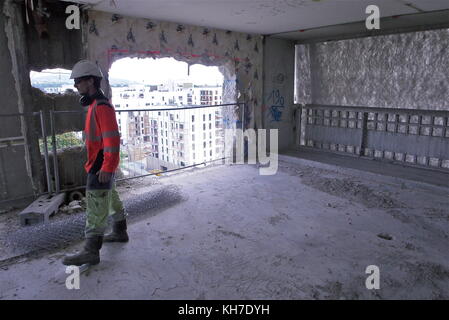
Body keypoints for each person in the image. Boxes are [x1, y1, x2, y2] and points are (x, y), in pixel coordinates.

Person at [63, 60, 129, 266]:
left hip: (99, 166)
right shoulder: (95, 105)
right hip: (100, 163)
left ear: (90, 81)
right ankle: (120, 232)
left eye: (78, 82)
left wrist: (107, 167)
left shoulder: (101, 107)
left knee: (95, 207)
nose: (76, 86)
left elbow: (112, 139)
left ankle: (91, 251)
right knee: (111, 199)